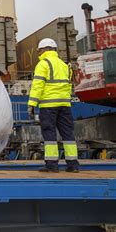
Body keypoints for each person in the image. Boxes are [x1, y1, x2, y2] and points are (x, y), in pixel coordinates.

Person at [27, 38, 79, 173]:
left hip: (49, 105)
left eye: (39, 50)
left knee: (49, 133)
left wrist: (32, 104)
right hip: (65, 104)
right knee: (68, 134)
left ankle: (52, 164)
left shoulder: (43, 64)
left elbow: (38, 85)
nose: (38, 53)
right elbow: (68, 86)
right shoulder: (64, 65)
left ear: (44, 49)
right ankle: (73, 165)